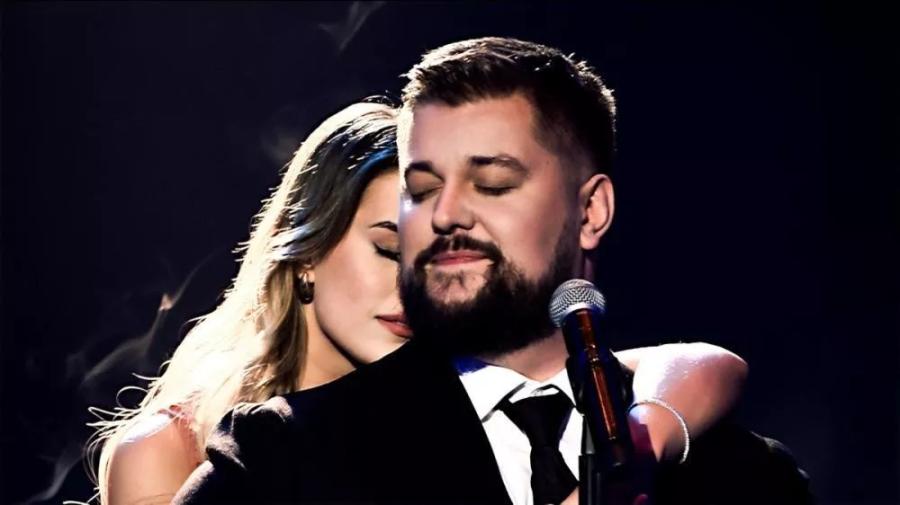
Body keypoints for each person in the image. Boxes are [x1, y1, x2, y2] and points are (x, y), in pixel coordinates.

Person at [174, 37, 812, 505]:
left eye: (493, 183)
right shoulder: (282, 456)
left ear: (592, 211)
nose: (446, 213)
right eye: (422, 189)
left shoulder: (741, 476)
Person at [89, 100, 748, 505]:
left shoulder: (455, 399)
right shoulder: (172, 449)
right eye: (387, 249)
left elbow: (702, 362)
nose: (413, 285)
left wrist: (636, 445)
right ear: (306, 251)